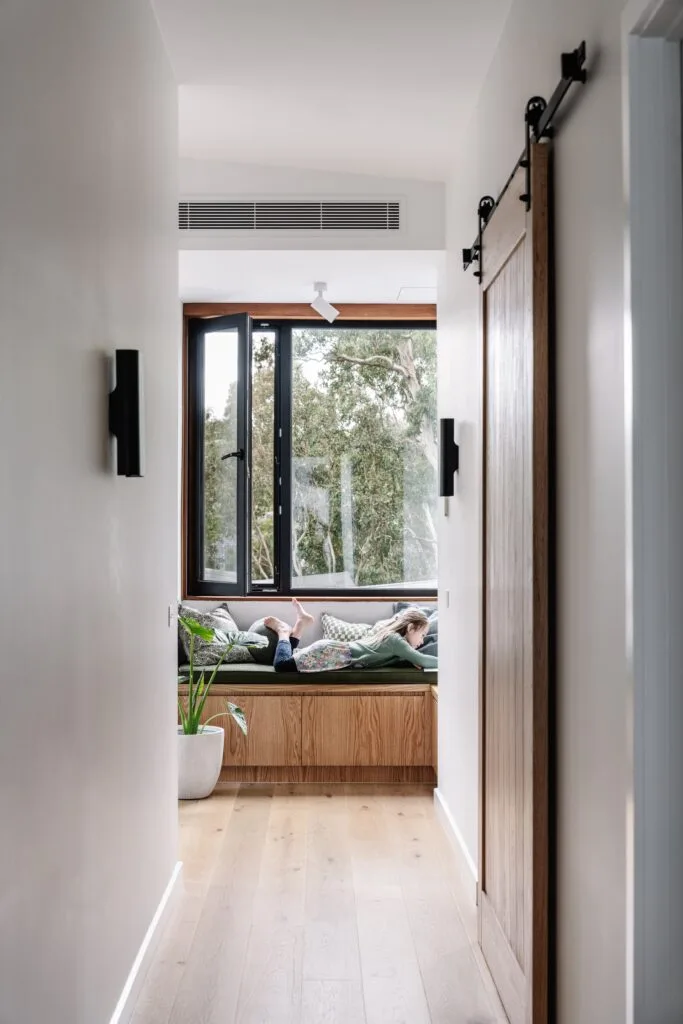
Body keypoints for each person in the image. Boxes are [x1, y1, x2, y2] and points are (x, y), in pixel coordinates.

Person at [264, 599, 437, 673]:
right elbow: (423, 660)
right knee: (281, 666)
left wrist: (412, 658)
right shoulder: (396, 641)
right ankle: (284, 632)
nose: (422, 641)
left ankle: (301, 624)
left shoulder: (394, 640)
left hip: (335, 651)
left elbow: (412, 658)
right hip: (334, 654)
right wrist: (452, 667)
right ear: (411, 628)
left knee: (291, 659)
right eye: (422, 635)